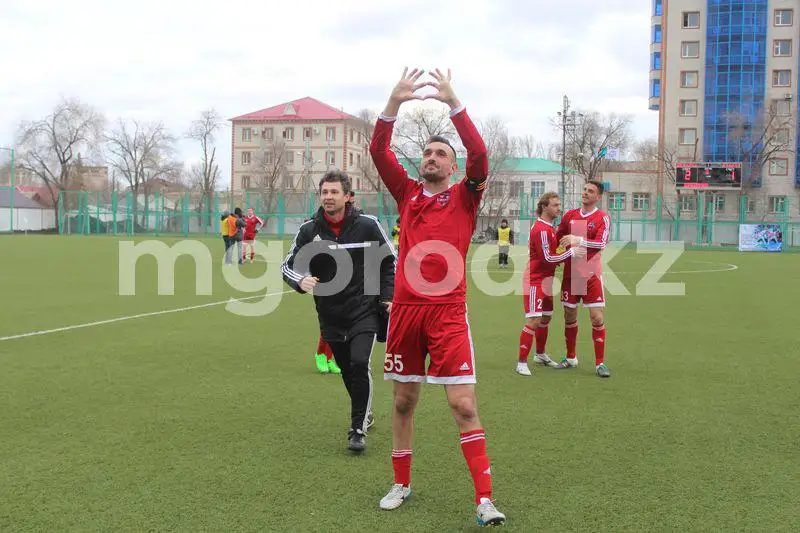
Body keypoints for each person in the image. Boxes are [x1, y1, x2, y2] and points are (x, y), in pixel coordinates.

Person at [369, 67, 505, 527]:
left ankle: (484, 499)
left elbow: (481, 154)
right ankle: (401, 483)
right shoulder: (407, 193)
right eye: (426, 151)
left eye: (440, 152)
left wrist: (454, 104)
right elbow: (378, 150)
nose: (430, 156)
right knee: (404, 402)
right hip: (406, 313)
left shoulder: (467, 196)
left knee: (463, 405)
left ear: (452, 165)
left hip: (447, 314)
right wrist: (392, 105)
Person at [282, 170, 395, 452]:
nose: (329, 197)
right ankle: (364, 409)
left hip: (364, 308)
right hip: (330, 311)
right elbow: (287, 266)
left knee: (359, 362)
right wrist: (300, 280)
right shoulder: (309, 230)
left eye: (334, 192)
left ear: (347, 196)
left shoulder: (368, 225)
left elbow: (388, 263)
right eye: (324, 192)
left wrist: (388, 298)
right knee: (346, 369)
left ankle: (357, 428)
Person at [553, 180, 611, 378]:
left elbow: (601, 243)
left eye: (590, 191)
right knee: (569, 316)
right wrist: (555, 254)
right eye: (585, 189)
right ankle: (571, 358)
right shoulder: (570, 215)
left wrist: (579, 240)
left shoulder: (602, 218)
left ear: (598, 196)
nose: (585, 193)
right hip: (571, 274)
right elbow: (558, 238)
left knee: (597, 317)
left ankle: (600, 363)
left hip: (591, 275)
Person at [516, 193, 577, 376]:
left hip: (547, 280)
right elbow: (548, 259)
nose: (559, 208)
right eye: (555, 205)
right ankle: (521, 362)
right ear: (544, 207)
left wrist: (564, 246)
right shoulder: (542, 229)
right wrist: (571, 252)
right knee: (534, 320)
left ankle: (540, 354)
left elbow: (552, 253)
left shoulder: (550, 228)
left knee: (546, 318)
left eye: (560, 204)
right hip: (535, 280)